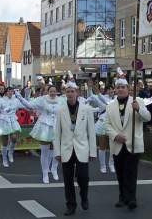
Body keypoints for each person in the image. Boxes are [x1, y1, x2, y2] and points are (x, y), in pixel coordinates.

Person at [105, 78, 151, 210]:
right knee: (120, 172)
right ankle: (122, 196)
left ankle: (131, 198)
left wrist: (138, 110)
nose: (120, 89)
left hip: (133, 143)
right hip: (117, 144)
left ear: (128, 88)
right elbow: (107, 125)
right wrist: (115, 135)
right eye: (118, 87)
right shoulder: (110, 106)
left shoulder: (138, 101)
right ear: (115, 89)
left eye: (123, 87)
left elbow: (147, 117)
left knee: (130, 172)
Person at [54, 82, 97, 216]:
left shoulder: (86, 109)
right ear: (65, 94)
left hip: (82, 148)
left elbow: (91, 131)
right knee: (68, 180)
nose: (70, 94)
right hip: (66, 149)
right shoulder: (60, 110)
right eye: (68, 92)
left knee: (83, 177)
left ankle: (84, 197)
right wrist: (57, 152)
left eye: (72, 91)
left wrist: (92, 151)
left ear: (77, 93)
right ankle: (71, 205)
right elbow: (57, 133)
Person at [16, 85, 62, 184]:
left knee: (57, 150)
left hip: (57, 126)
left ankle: (54, 169)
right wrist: (20, 97)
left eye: (54, 91)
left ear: (57, 92)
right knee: (44, 152)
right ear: (48, 92)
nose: (53, 93)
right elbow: (29, 105)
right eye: (51, 91)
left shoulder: (62, 100)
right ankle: (45, 173)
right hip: (45, 125)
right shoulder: (42, 100)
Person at [0, 87, 24, 167]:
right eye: (8, 91)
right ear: (6, 92)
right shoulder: (1, 100)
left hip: (12, 120)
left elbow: (24, 104)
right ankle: (4, 159)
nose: (10, 92)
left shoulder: (15, 100)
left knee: (14, 138)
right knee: (4, 141)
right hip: (4, 120)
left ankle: (10, 153)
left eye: (11, 91)